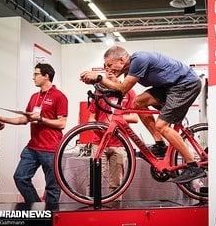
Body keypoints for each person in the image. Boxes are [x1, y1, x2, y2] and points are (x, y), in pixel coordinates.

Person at [80, 45, 205, 184]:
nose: (108, 69)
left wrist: (98, 78)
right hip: (169, 87)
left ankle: (193, 166)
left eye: (109, 65)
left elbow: (122, 89)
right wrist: (96, 85)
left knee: (162, 126)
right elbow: (119, 91)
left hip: (185, 84)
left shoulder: (139, 60)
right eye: (105, 66)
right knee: (137, 103)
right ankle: (160, 145)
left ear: (122, 60)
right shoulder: (129, 72)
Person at [0, 63, 68, 203]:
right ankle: (37, 208)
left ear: (46, 76)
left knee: (52, 187)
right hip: (32, 147)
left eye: (36, 74)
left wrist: (40, 118)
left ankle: (50, 218)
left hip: (51, 149)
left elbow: (62, 123)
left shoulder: (59, 96)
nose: (33, 77)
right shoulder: (34, 96)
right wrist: (1, 118)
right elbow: (24, 119)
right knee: (20, 177)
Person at [87, 65, 138, 196]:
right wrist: (98, 125)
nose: (110, 72)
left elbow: (134, 117)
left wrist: (116, 119)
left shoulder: (129, 92)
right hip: (99, 142)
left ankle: (114, 213)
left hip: (120, 144)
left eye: (113, 70)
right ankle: (89, 209)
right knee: (93, 182)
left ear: (120, 72)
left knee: (116, 184)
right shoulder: (99, 93)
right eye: (107, 69)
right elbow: (91, 118)